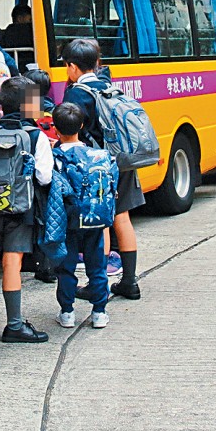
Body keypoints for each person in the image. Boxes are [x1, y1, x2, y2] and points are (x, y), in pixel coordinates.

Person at [0, 76, 53, 343]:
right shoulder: (34, 136)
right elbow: (44, 177)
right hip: (20, 209)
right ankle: (14, 325)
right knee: (12, 262)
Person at [61, 38, 144, 300]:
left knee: (102, 223)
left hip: (97, 166)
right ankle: (129, 281)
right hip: (123, 161)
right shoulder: (109, 86)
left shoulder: (76, 93)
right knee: (123, 218)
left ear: (72, 66)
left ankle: (98, 287)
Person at [51, 102, 113, 330]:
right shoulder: (99, 155)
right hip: (94, 217)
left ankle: (67, 312)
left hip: (67, 219)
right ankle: (99, 312)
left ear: (55, 128)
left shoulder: (55, 156)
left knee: (66, 267)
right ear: (83, 125)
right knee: (97, 265)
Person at [24, 67, 58, 283]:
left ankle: (40, 265)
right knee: (48, 222)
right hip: (49, 173)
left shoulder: (28, 113)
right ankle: (48, 267)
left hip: (34, 177)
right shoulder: (53, 111)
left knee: (38, 222)